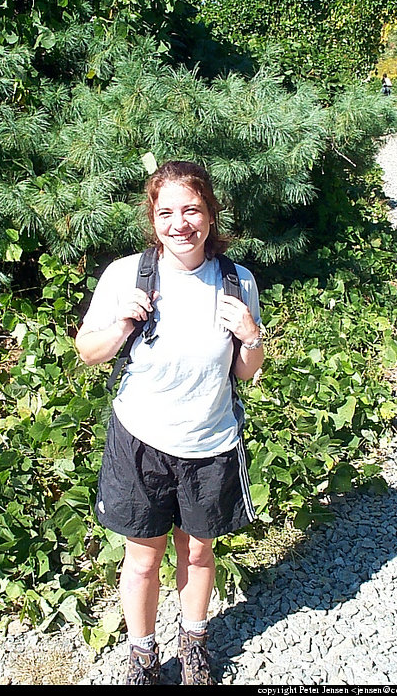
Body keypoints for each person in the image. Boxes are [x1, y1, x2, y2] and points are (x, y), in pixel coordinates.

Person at [75, 160, 264, 685]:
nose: (180, 223)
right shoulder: (126, 275)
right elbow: (88, 352)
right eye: (166, 213)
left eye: (192, 210)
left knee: (199, 552)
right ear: (152, 219)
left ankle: (195, 642)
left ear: (210, 215)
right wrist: (121, 324)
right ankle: (142, 654)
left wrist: (251, 335)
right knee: (141, 558)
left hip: (211, 442)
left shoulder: (235, 279)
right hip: (141, 441)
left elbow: (246, 372)